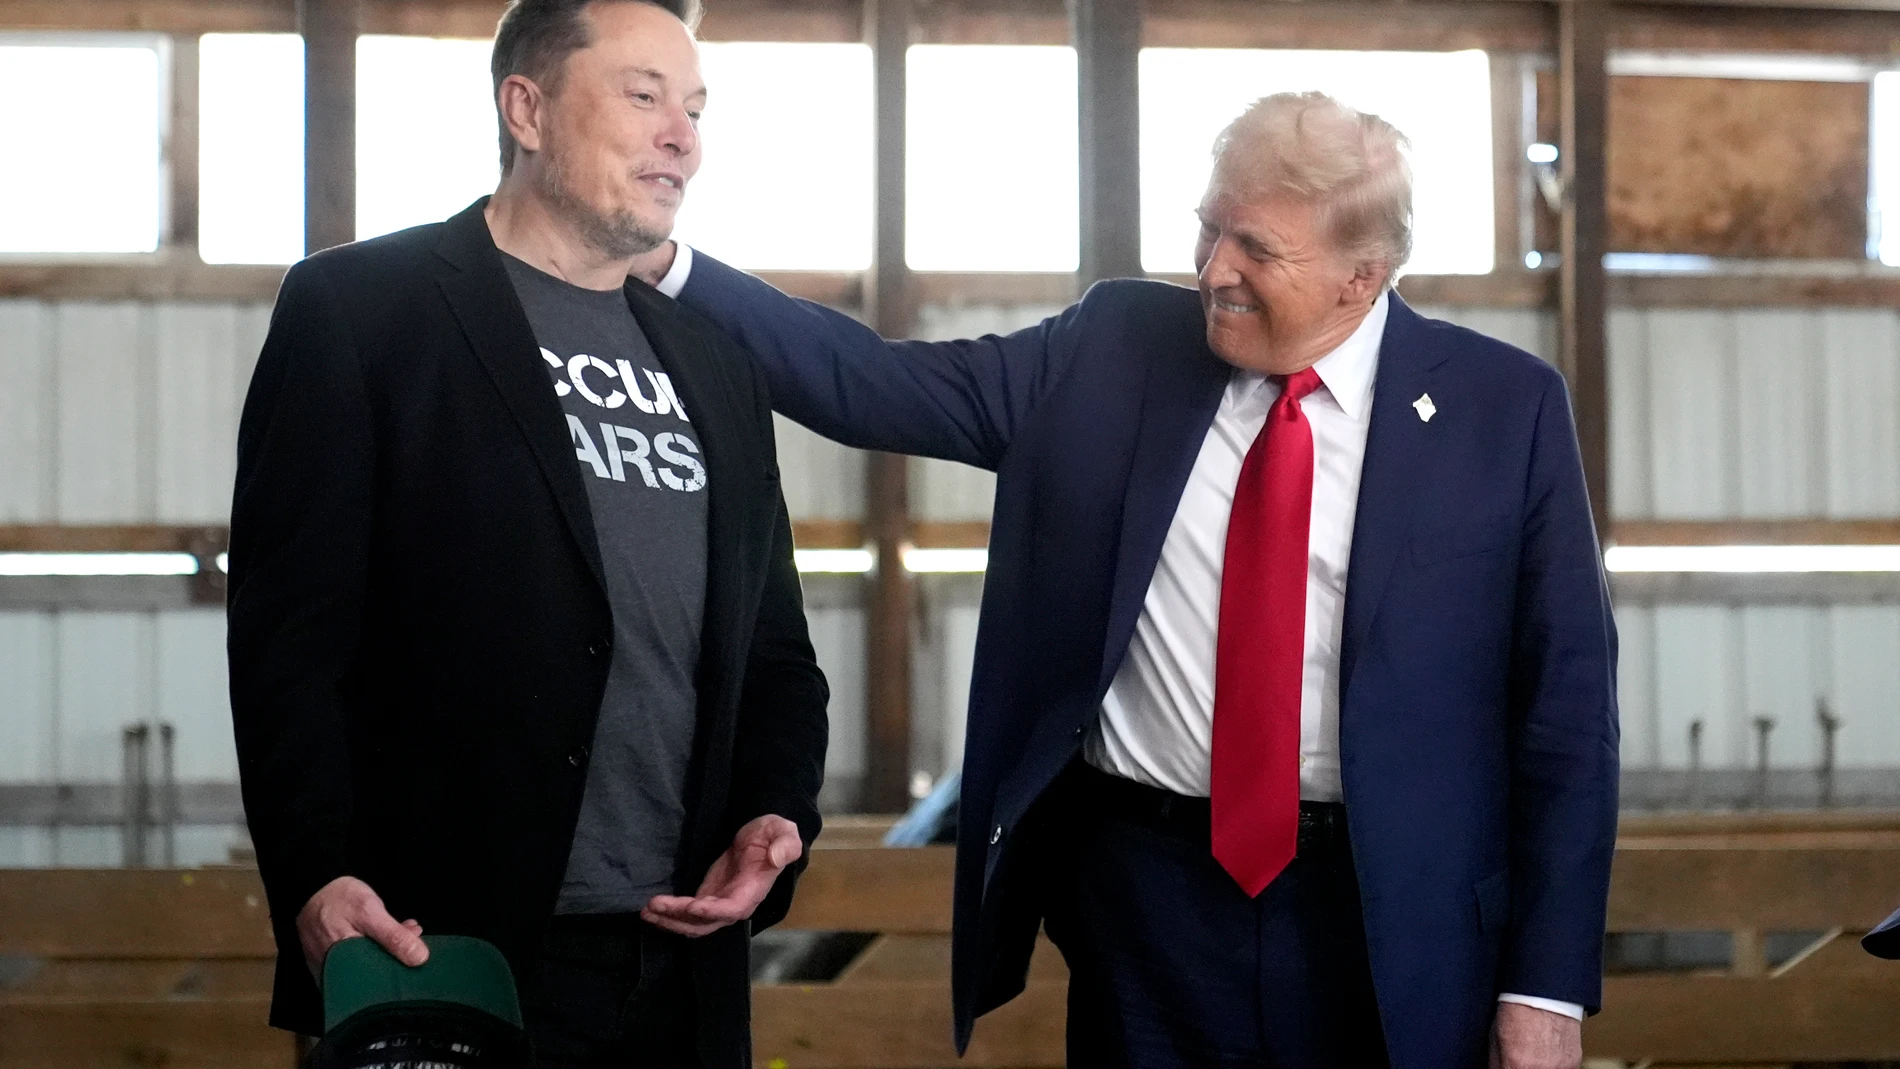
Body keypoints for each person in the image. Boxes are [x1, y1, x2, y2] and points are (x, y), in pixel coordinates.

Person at [634, 92, 1618, 1068]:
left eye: (1256, 250)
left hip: (1392, 913)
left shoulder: (1505, 410)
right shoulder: (1114, 349)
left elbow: (1567, 718)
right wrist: (660, 264)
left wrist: (1544, 991)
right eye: (1207, 227)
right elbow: (872, 382)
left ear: (1362, 277)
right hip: (1147, 907)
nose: (1213, 270)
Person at [227, 1, 829, 1066]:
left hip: (677, 963)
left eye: (693, 108)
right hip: (439, 949)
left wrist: (776, 811)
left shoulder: (718, 366)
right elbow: (288, 637)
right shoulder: (364, 312)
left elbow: (774, 649)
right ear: (527, 108)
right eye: (644, 96)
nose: (682, 136)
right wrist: (316, 869)